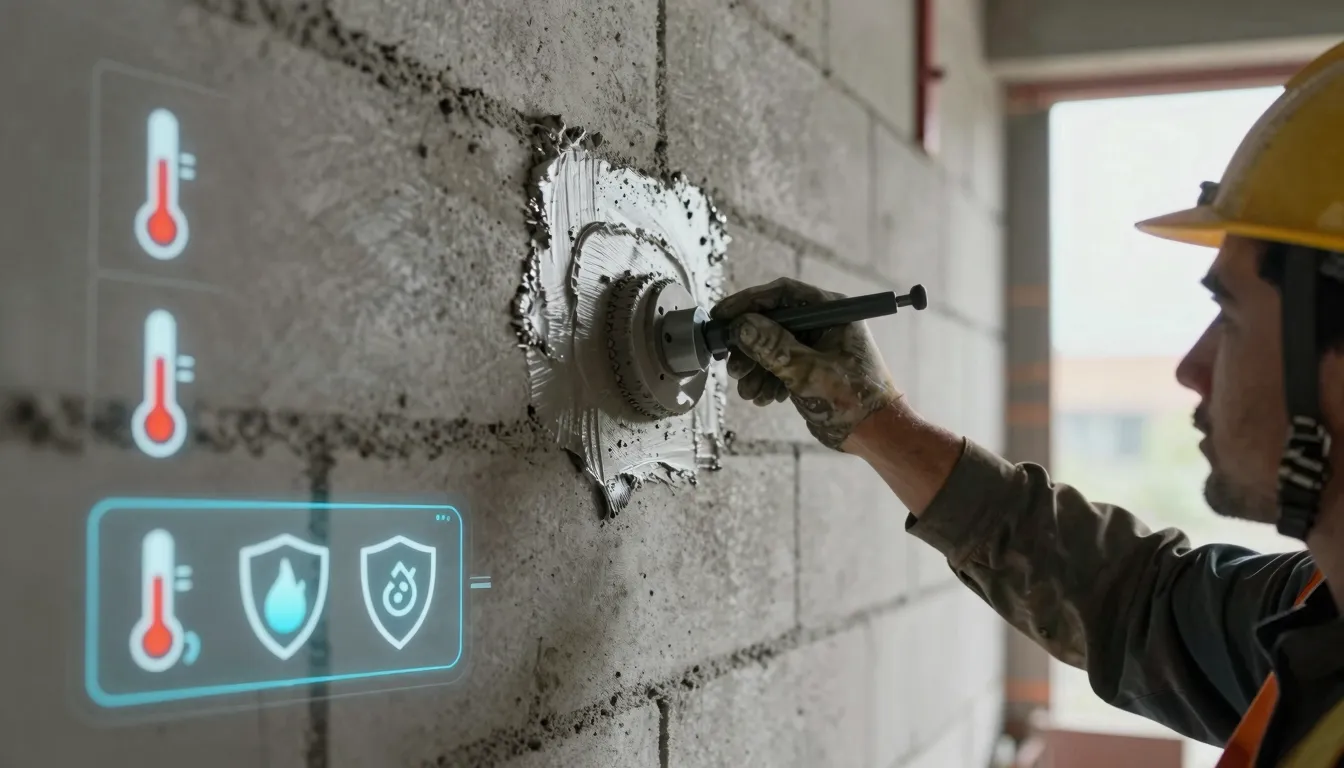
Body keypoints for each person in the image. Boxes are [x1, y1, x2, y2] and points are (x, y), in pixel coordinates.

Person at [712, 40, 1344, 768]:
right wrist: (876, 421)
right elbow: (1137, 605)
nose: (1191, 368)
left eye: (1229, 316)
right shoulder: (1318, 620)